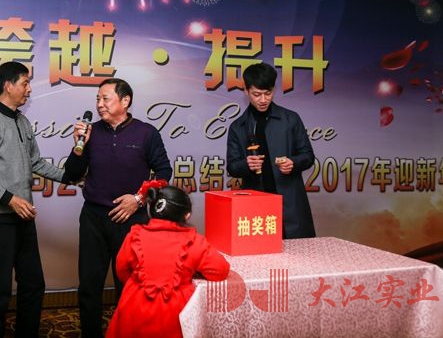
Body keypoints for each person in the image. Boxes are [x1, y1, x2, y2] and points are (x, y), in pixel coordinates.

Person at [0, 61, 71, 338]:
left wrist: (70, 177)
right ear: (7, 86)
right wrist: (10, 199)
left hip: (23, 216)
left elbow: (36, 162)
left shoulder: (22, 121)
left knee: (33, 284)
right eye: (25, 83)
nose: (29, 89)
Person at [64, 78, 173, 338]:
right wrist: (78, 147)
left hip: (131, 219)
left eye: (105, 98)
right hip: (93, 218)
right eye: (97, 99)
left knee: (129, 286)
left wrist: (138, 199)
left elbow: (164, 172)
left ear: (125, 101)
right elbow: (72, 174)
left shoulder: (146, 133)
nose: (99, 104)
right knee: (89, 285)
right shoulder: (91, 132)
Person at [106, 183, 230, 338]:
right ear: (187, 215)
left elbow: (122, 270)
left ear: (152, 211)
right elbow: (220, 271)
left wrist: (141, 282)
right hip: (177, 313)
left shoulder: (134, 236)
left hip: (134, 307)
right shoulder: (194, 241)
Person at [226, 62, 316, 239]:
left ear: (274, 89)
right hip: (256, 204)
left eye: (268, 93)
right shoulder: (238, 127)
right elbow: (232, 166)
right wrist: (246, 164)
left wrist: (293, 163)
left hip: (290, 202)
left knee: (299, 251)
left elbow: (308, 155)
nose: (263, 100)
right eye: (256, 94)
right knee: (260, 251)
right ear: (246, 91)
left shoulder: (290, 119)